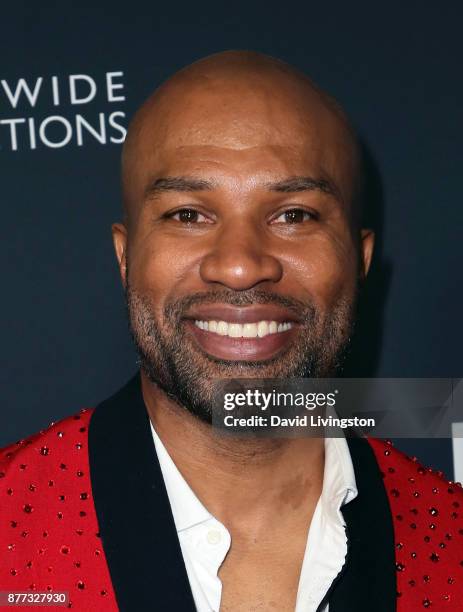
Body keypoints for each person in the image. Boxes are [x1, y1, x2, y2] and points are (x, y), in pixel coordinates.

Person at [1, 51, 461, 612]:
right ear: (126, 257)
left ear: (359, 260)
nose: (241, 265)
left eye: (294, 214)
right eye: (188, 214)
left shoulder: (449, 539)